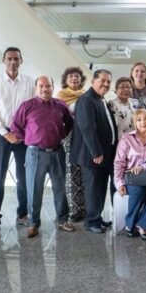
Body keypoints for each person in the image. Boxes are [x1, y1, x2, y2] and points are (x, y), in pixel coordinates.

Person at [10, 76, 74, 238]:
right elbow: (16, 127)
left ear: (53, 87)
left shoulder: (60, 105)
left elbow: (70, 123)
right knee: (34, 190)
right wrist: (31, 139)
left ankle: (62, 220)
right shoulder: (27, 106)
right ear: (35, 88)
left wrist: (61, 135)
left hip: (57, 152)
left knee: (60, 188)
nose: (45, 89)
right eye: (41, 86)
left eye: (48, 86)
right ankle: (33, 223)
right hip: (35, 154)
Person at [0, 47, 35, 237]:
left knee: (23, 177)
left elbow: (31, 110)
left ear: (21, 61)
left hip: (22, 136)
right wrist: (6, 133)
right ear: (3, 60)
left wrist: (21, 133)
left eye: (16, 59)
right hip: (0, 135)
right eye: (9, 58)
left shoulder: (29, 82)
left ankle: (23, 214)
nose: (13, 62)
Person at [73, 69, 118, 234]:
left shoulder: (100, 99)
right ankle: (91, 221)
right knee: (93, 188)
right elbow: (87, 128)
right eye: (103, 81)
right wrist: (96, 152)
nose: (106, 84)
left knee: (99, 188)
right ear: (93, 81)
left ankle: (97, 217)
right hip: (92, 155)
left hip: (105, 153)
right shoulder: (86, 100)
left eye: (108, 82)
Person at [114, 109, 146, 241]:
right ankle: (130, 224)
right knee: (139, 192)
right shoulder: (127, 138)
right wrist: (119, 182)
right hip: (133, 176)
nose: (143, 122)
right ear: (135, 123)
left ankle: (143, 225)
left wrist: (142, 167)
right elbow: (119, 162)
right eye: (139, 120)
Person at [56, 66, 87, 223]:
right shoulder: (61, 96)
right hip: (68, 137)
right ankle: (74, 210)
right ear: (65, 81)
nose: (74, 79)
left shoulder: (86, 95)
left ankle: (87, 208)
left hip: (85, 137)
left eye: (77, 76)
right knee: (71, 172)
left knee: (84, 172)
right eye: (71, 77)